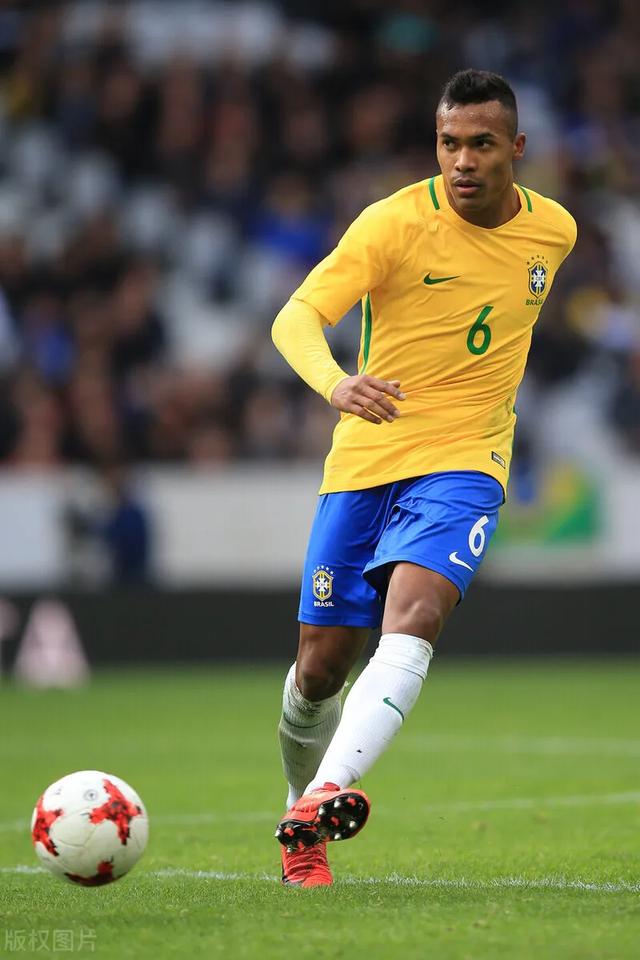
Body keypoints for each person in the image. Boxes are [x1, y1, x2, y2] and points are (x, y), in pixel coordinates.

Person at [271, 69, 576, 888]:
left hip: (467, 461)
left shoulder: (555, 231)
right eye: (449, 143)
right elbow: (295, 315)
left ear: (517, 147)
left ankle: (328, 791)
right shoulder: (392, 223)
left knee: (414, 615)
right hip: (367, 458)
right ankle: (301, 813)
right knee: (319, 670)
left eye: (481, 144)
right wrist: (336, 383)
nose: (463, 160)